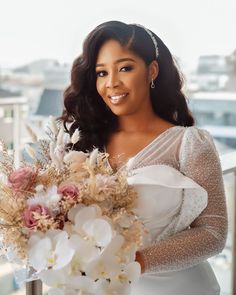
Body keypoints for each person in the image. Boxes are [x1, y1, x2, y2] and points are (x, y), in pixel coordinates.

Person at [61, 20, 228, 295]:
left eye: (125, 68)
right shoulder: (83, 142)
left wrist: (135, 262)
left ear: (151, 70)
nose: (112, 83)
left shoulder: (189, 143)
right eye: (102, 73)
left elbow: (213, 233)